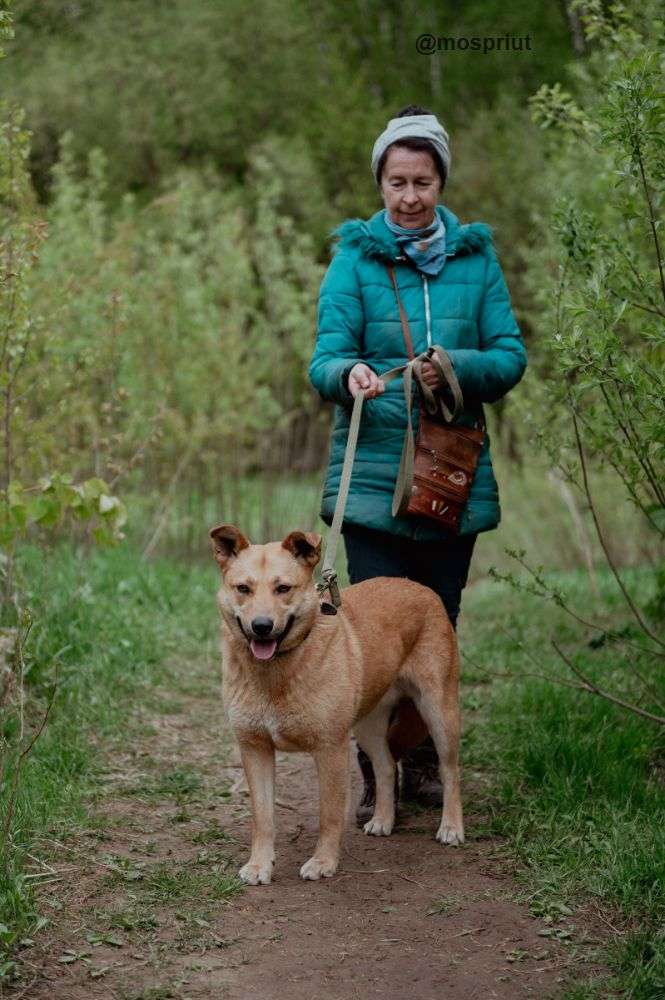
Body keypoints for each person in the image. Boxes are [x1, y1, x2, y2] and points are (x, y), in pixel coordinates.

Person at [308, 105, 527, 823]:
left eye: (422, 181)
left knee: (437, 628)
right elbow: (324, 359)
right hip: (371, 477)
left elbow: (508, 356)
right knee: (369, 635)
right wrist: (351, 376)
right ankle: (380, 778)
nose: (409, 196)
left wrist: (454, 367)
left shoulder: (475, 258)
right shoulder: (353, 259)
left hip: (447, 478)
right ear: (379, 182)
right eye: (396, 181)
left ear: (440, 182)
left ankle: (426, 763)